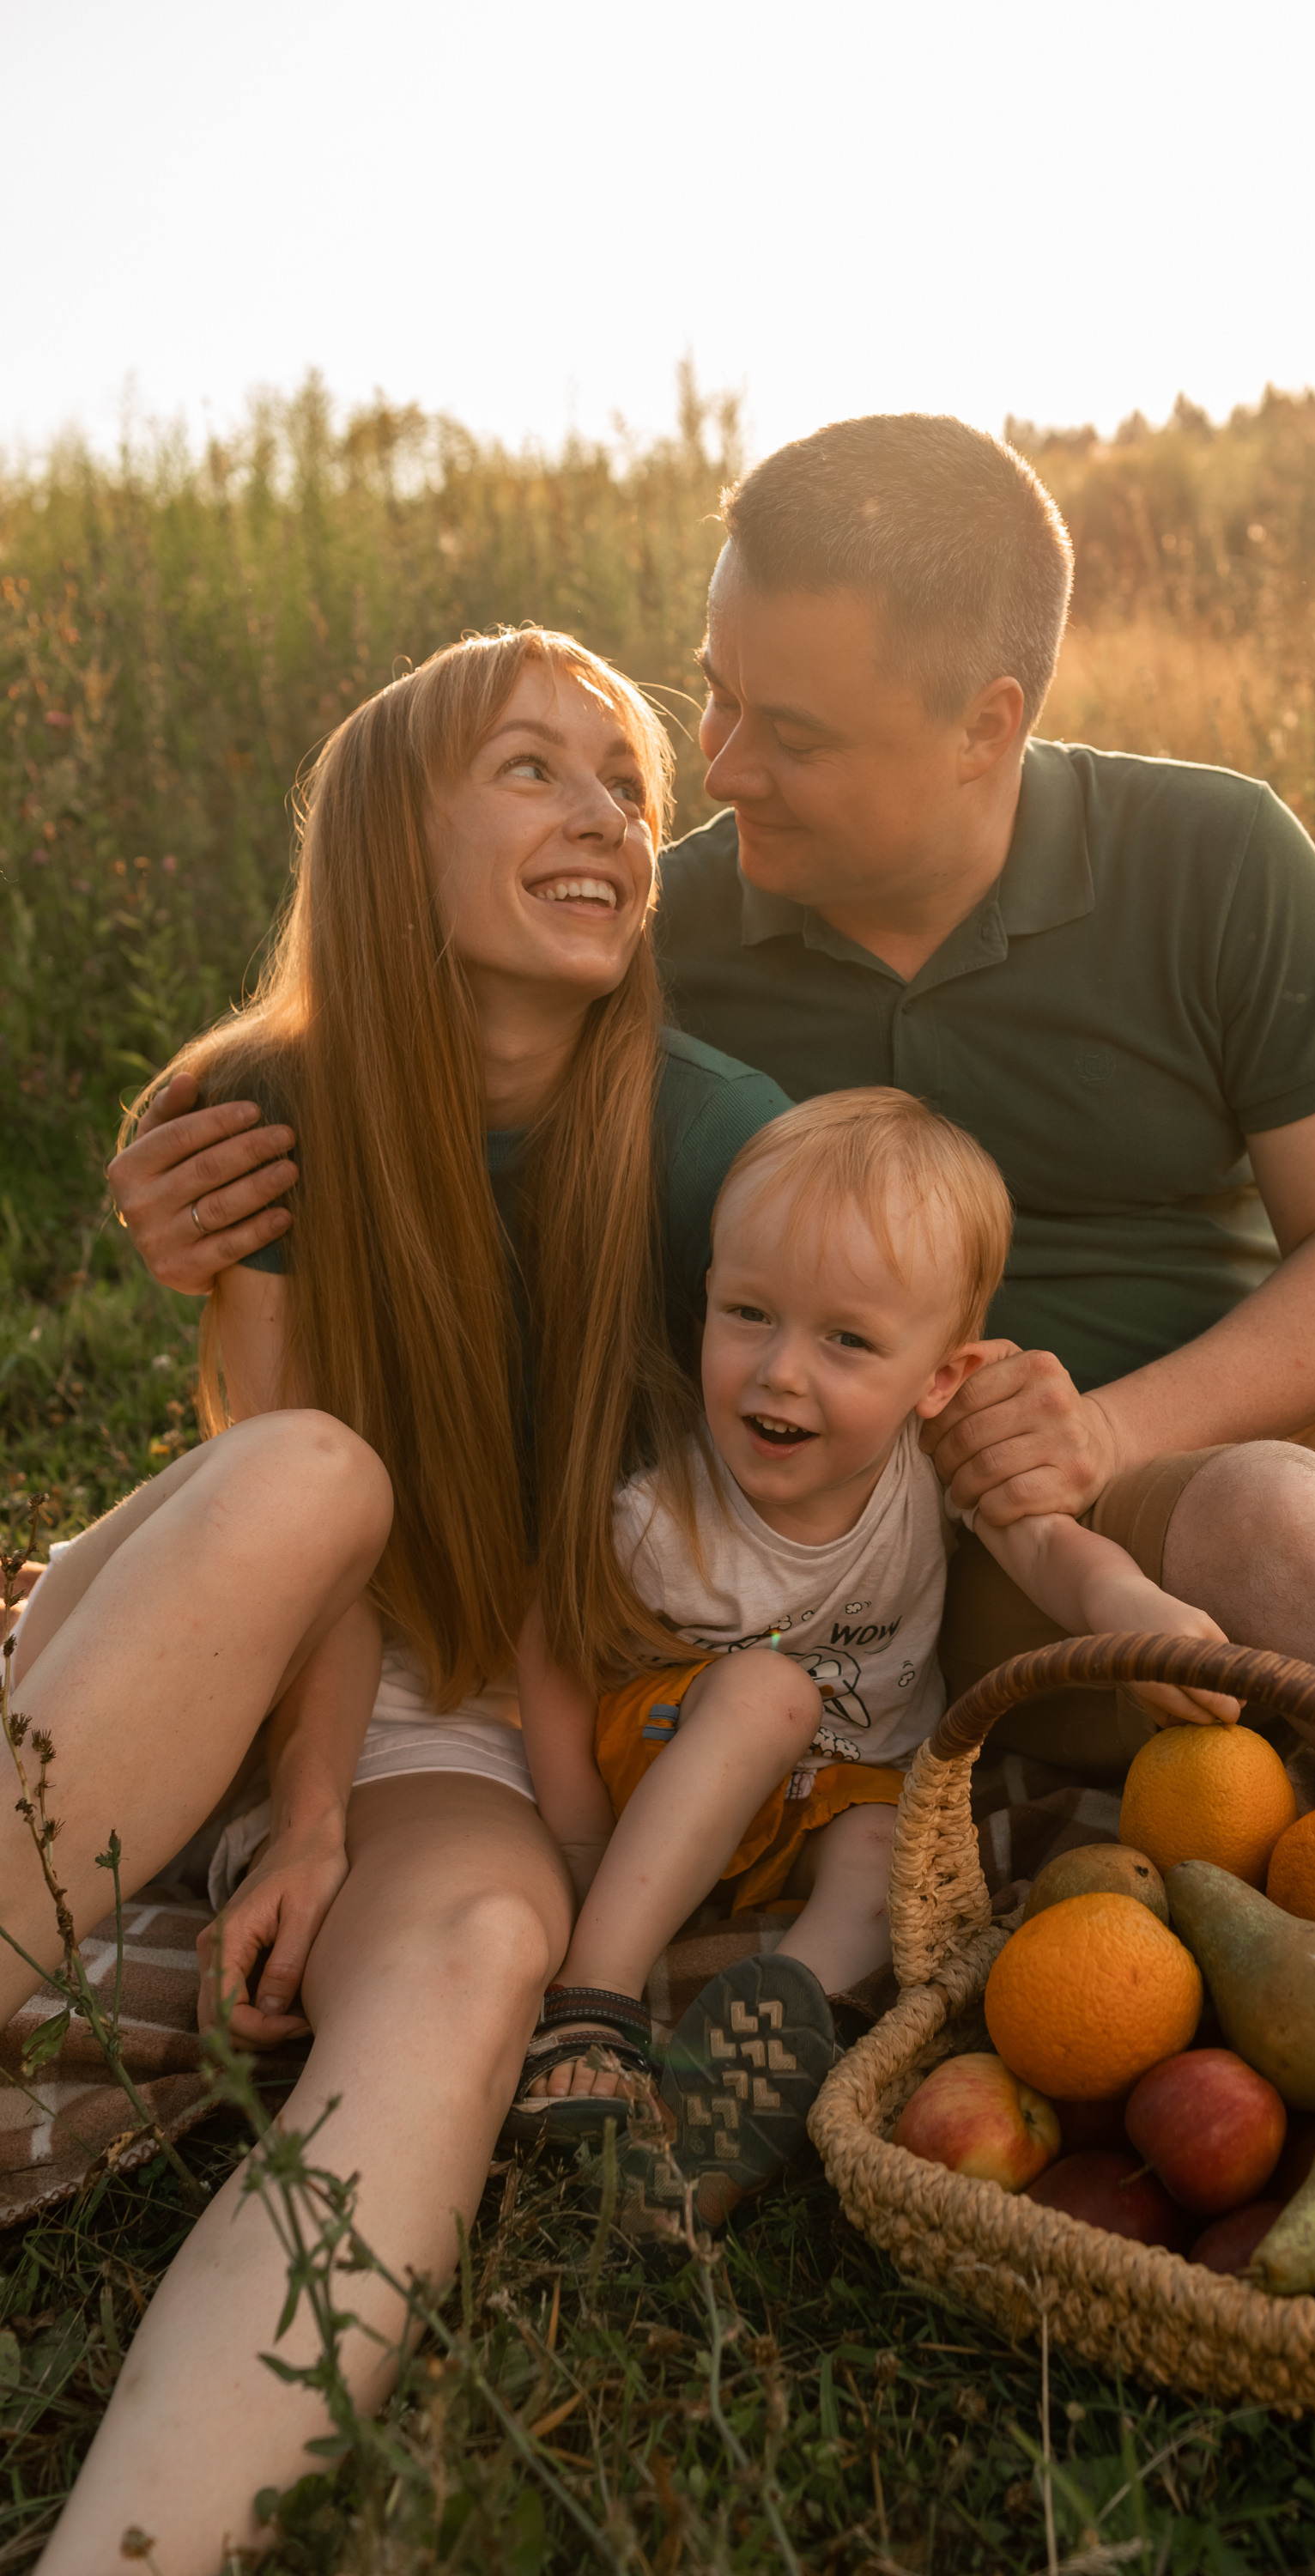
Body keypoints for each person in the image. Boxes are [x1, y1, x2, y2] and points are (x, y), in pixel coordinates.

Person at [110, 416, 1315, 2032]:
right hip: (1016, 1547)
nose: (719, 766)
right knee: (1272, 1518)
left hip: (1265, 1415)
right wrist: (206, 1164)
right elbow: (418, 1098)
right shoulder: (654, 955)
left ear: (984, 723)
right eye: (716, 691)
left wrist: (1102, 1424)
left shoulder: (1215, 854)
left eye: (787, 733)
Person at [9, 625, 795, 2576]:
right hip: (253, 1612)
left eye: (626, 779)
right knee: (314, 1471)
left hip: (488, 1701)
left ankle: (135, 2551)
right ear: (386, 832)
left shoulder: (713, 1135)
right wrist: (304, 1802)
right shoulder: (256, 1102)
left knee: (471, 1966)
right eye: (537, 768)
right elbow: (286, 1528)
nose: (610, 813)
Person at [505, 1086, 1236, 2223]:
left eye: (846, 1340)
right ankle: (592, 2002)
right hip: (670, 1766)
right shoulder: (666, 1508)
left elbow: (1053, 1552)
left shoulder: (931, 1463)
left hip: (832, 1797)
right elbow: (550, 1639)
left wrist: (1141, 1613)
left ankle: (768, 2036)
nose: (780, 1373)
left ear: (940, 1379)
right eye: (748, 1314)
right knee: (765, 1693)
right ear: (706, 1301)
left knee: (892, 1849)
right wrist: (574, 1832)